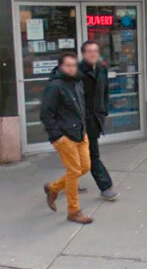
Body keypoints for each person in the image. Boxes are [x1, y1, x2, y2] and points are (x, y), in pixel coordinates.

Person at [40, 52, 93, 224]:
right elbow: (46, 114)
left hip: (80, 133)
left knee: (85, 167)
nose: (71, 69)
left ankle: (53, 188)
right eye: (68, 65)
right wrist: (58, 136)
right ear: (61, 66)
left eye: (73, 65)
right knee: (74, 172)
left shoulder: (77, 82)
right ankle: (73, 211)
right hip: (65, 136)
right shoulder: (55, 86)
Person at [79, 41, 119, 203]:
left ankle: (64, 183)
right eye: (89, 51)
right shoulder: (76, 72)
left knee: (80, 155)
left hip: (95, 118)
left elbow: (105, 91)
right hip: (81, 121)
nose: (93, 54)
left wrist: (104, 110)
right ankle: (106, 187)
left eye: (95, 51)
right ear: (83, 54)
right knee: (92, 155)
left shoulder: (101, 69)